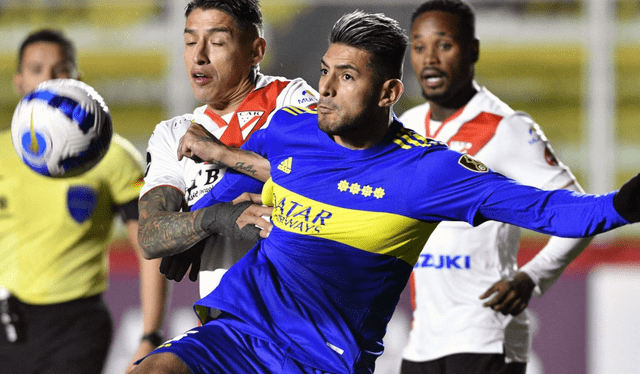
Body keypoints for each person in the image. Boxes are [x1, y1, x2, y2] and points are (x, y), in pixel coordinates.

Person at [131, 10, 638, 374]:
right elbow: (251, 183)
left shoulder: (428, 172)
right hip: (238, 332)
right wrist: (197, 225)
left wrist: (626, 202)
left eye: (346, 76)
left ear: (388, 93)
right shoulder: (291, 129)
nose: (326, 88)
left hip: (320, 359)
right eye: (325, 71)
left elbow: (555, 211)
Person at [397, 1, 592, 373]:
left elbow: (577, 210)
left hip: (485, 338)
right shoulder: (407, 126)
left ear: (473, 50)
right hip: (422, 343)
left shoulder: (506, 127)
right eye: (419, 47)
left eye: (444, 45)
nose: (430, 59)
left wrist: (532, 277)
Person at [130, 0, 318, 367]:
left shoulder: (292, 101)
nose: (199, 56)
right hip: (227, 329)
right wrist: (214, 218)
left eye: (216, 42)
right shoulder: (173, 134)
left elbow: (321, 179)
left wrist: (221, 153)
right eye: (189, 42)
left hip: (301, 324)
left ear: (256, 50)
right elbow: (150, 236)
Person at [0, 29, 155, 374]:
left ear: (78, 80)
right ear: (19, 82)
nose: (49, 79)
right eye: (37, 69)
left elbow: (150, 248)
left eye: (60, 69)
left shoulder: (113, 156)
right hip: (6, 323)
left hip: (76, 327)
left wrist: (151, 332)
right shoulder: (0, 154)